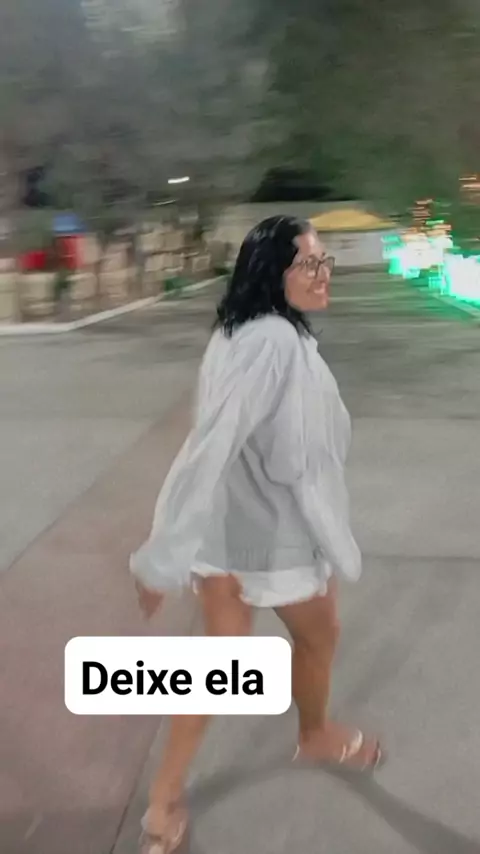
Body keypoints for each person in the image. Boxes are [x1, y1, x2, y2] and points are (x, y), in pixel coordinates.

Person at [131, 215, 383, 854]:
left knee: (220, 662)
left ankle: (163, 801)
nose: (323, 274)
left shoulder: (239, 331)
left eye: (325, 261)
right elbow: (211, 444)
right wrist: (162, 555)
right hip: (274, 533)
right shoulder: (272, 341)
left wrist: (174, 549)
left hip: (228, 532)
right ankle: (314, 735)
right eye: (309, 264)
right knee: (318, 635)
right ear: (272, 273)